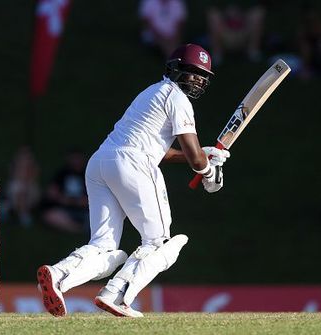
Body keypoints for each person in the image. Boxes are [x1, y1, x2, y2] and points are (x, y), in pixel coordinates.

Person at [36, 44, 230, 317]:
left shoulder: (150, 92)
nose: (197, 79)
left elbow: (163, 151)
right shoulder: (178, 99)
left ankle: (58, 275)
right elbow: (193, 157)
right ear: (176, 70)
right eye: (191, 72)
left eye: (201, 75)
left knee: (103, 246)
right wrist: (208, 171)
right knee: (159, 243)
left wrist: (201, 155)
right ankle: (116, 295)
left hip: (101, 161)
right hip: (133, 164)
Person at [41, 148, 89, 234]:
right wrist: (63, 199)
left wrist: (76, 202)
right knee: (50, 216)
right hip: (64, 210)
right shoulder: (62, 174)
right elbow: (51, 192)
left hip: (84, 210)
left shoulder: (88, 174)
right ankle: (77, 229)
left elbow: (91, 198)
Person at [4, 145, 41, 227]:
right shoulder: (14, 168)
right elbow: (14, 179)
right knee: (18, 194)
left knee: (24, 194)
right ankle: (21, 214)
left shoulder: (33, 168)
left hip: (29, 190)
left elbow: (32, 179)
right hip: (16, 191)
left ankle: (20, 213)